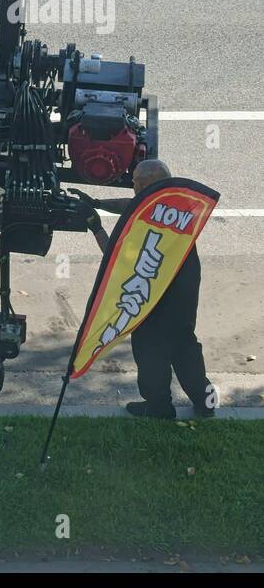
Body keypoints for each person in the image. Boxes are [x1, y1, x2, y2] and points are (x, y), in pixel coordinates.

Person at [79, 159, 214, 420]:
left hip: (157, 296)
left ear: (142, 185)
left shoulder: (149, 228)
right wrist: (99, 203)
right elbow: (136, 206)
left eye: (135, 184)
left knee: (150, 348)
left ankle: (159, 407)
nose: (132, 187)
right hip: (185, 289)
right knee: (184, 344)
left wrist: (95, 225)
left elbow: (118, 261)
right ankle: (204, 400)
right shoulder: (176, 206)